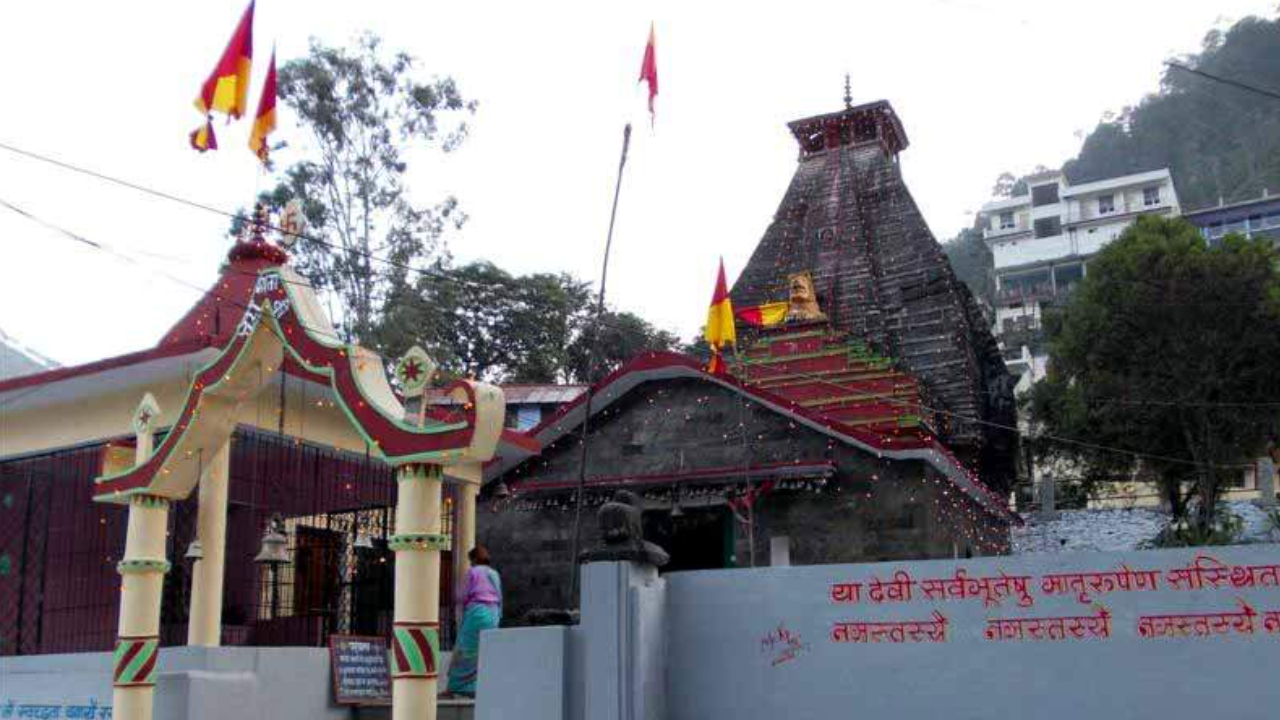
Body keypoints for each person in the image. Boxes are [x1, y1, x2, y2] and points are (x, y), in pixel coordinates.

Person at [444, 546, 502, 698]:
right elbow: (500, 598)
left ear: (473, 559)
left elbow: (461, 596)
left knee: (464, 648)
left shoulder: (473, 572)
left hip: (477, 612)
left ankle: (457, 686)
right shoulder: (494, 573)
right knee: (483, 650)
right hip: (493, 614)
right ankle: (477, 686)